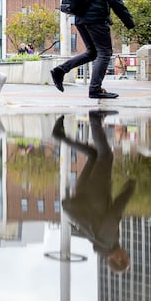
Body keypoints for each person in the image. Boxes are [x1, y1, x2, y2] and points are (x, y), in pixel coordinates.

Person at [50, 0, 136, 99]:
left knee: (93, 52)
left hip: (81, 17)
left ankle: (60, 70)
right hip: (95, 17)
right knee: (105, 52)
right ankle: (95, 89)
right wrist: (128, 20)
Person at [52, 111, 136, 273]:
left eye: (126, 256)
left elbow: (115, 213)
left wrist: (129, 189)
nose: (127, 253)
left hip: (95, 191)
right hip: (84, 193)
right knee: (93, 154)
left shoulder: (108, 241)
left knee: (106, 155)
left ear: (118, 258)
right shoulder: (99, 244)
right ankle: (59, 136)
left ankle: (95, 120)